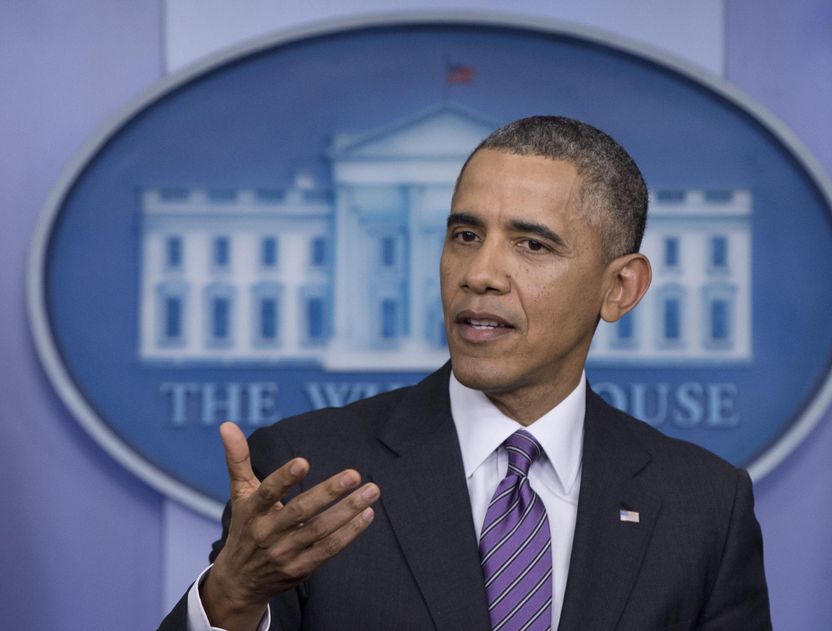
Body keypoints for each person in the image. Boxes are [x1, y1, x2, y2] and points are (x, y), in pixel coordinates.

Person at [159, 116, 771, 631]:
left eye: (532, 245)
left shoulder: (705, 508)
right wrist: (232, 597)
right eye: (465, 234)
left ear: (620, 288)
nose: (480, 272)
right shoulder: (310, 469)